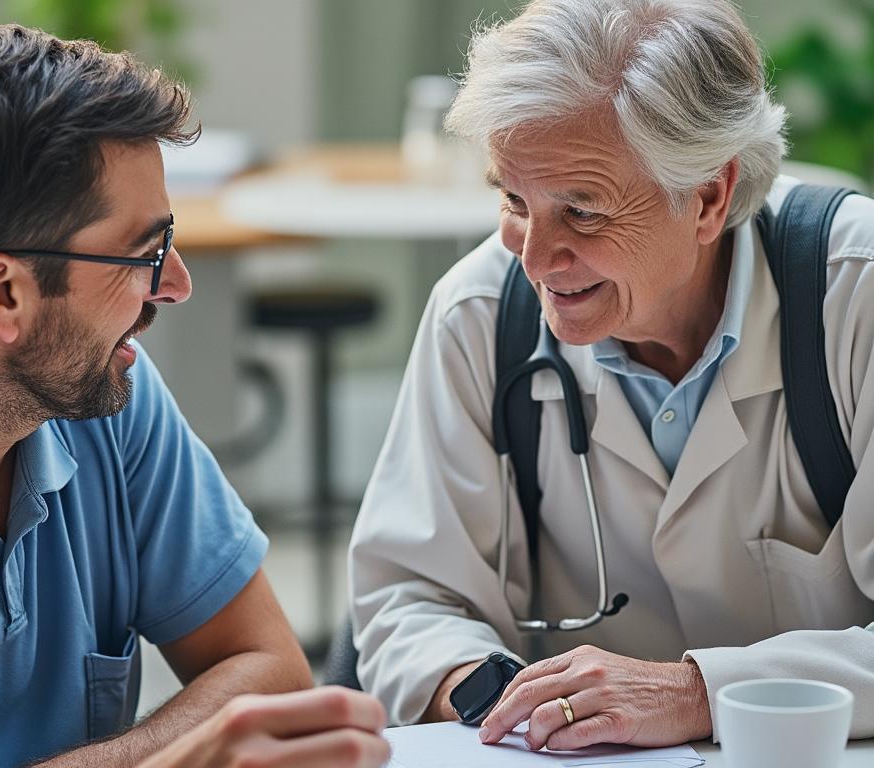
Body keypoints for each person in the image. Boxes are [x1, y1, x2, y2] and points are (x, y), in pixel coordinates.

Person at [0, 24, 387, 768]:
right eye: (144, 254)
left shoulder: (104, 395)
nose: (176, 284)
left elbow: (268, 671)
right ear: (3, 292)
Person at [349, 0, 874, 754]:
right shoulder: (477, 314)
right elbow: (409, 599)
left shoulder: (856, 297)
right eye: (513, 200)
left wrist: (694, 692)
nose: (533, 258)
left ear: (709, 197)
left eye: (583, 211)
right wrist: (512, 701)